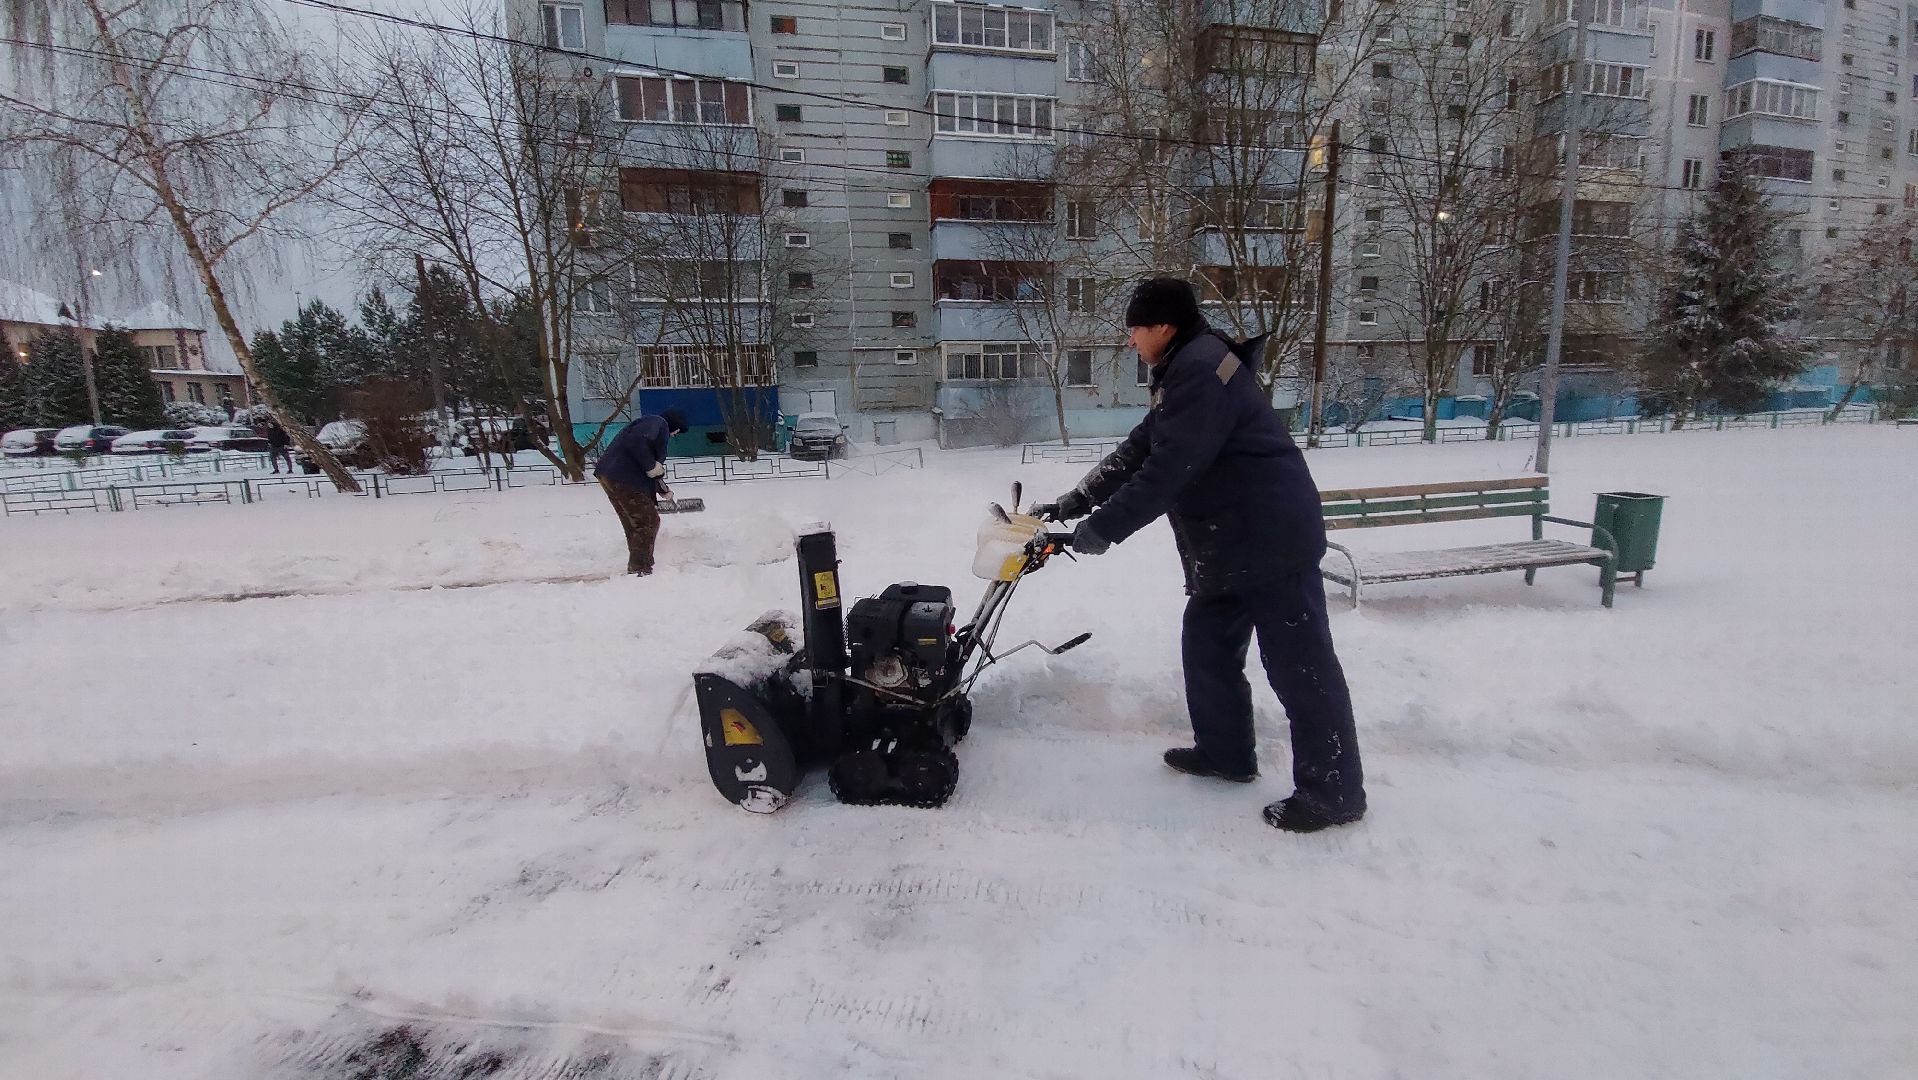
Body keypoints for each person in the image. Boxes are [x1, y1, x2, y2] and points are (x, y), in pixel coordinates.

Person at [1030, 278, 1366, 833]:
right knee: (1207, 645)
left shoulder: (1202, 370)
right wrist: (1077, 499)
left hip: (1270, 538)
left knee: (1301, 668)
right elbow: (1142, 446)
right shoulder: (1189, 368)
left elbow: (1170, 469)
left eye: (1135, 328)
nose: (1130, 339)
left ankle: (1335, 793)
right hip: (1233, 541)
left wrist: (1101, 529)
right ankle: (1226, 753)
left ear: (1163, 326)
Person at [594, 409, 688, 576]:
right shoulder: (658, 422)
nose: (673, 436)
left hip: (610, 475)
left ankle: (641, 564)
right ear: (674, 427)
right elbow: (636, 443)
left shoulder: (648, 427)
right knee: (648, 521)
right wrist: (652, 467)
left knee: (635, 523)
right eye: (676, 432)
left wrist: (663, 489)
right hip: (623, 476)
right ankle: (639, 569)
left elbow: (647, 465)